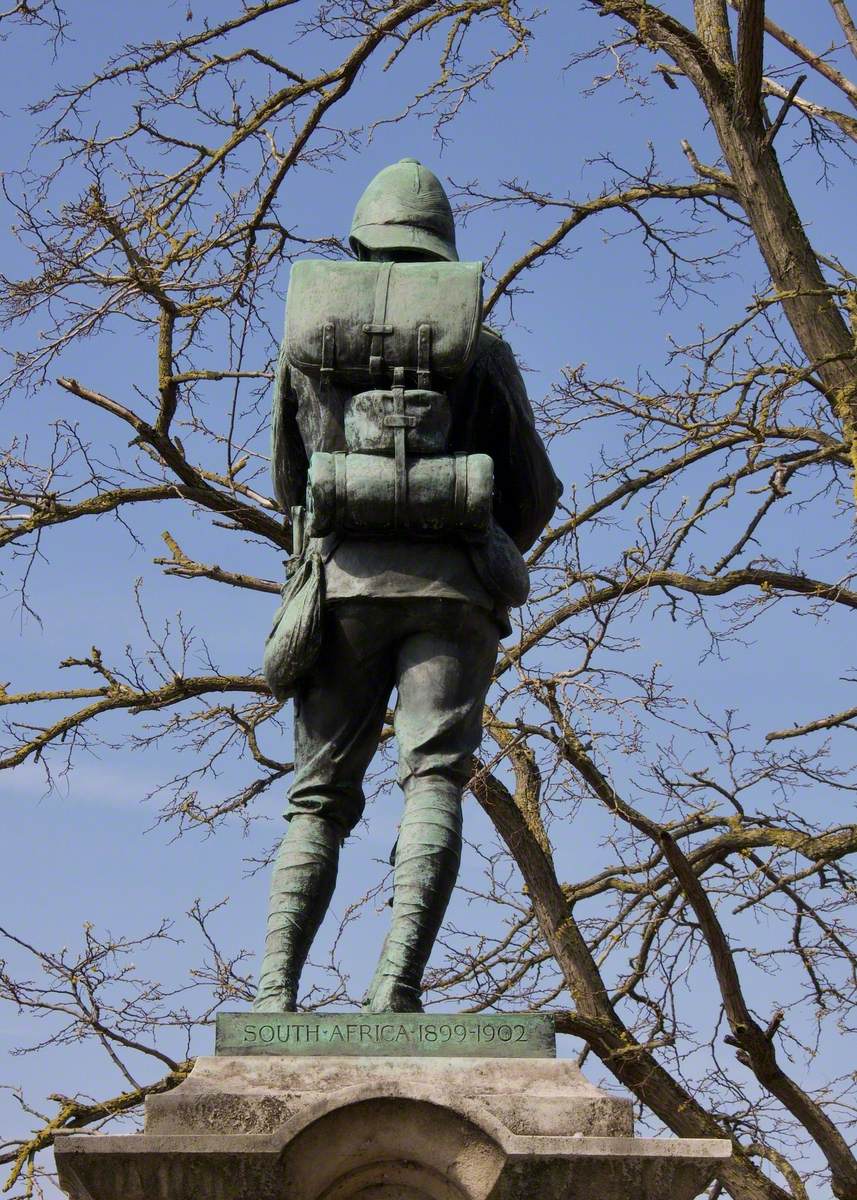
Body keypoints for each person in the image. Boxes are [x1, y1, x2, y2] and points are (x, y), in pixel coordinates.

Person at [255, 158, 561, 1013]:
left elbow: (287, 481)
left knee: (316, 796)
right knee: (432, 779)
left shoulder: (308, 347)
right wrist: (473, 546)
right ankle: (396, 988)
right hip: (456, 590)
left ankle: (273, 995)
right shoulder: (480, 348)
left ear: (363, 237)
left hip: (342, 588)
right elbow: (534, 488)